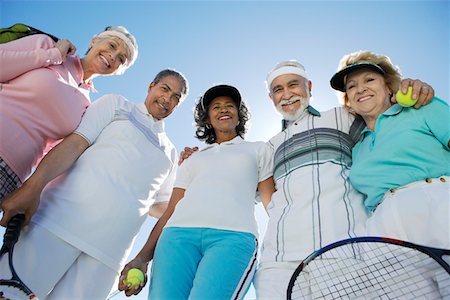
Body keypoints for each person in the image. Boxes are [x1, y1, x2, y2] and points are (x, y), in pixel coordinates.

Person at [249, 60, 435, 299]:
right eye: (278, 89)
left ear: (310, 87)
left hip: (343, 252)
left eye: (293, 85)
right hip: (277, 262)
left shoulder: (344, 116)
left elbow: (384, 109)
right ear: (271, 98)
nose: (286, 94)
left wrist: (411, 89)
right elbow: (246, 187)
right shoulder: (267, 147)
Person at [0, 69, 188, 299]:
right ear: (151, 86)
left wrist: (194, 178)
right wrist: (31, 188)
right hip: (56, 223)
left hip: (109, 256)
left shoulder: (170, 152)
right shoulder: (117, 104)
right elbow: (75, 144)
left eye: (176, 98)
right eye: (165, 89)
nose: (168, 99)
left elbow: (160, 207)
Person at [117, 84, 275, 299]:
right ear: (208, 119)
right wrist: (142, 258)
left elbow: (271, 203)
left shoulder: (259, 149)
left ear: (239, 116)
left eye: (230, 105)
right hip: (176, 238)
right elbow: (171, 210)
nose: (223, 109)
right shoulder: (193, 159)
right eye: (216, 107)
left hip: (233, 238)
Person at [0, 25, 138, 201]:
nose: (113, 56)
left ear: (118, 70)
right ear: (95, 41)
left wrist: (32, 189)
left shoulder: (87, 106)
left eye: (121, 58)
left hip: (11, 177)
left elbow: (54, 152)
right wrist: (52, 56)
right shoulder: (49, 46)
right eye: (112, 46)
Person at [330, 50, 449, 249]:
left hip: (440, 207)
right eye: (352, 86)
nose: (360, 89)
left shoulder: (422, 108)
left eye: (369, 80)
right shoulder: (357, 148)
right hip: (384, 230)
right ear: (348, 100)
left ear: (388, 86)